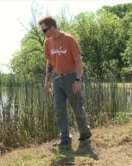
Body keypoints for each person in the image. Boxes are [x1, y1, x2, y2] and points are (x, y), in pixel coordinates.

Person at [38, 16, 92, 146]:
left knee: (77, 107)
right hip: (57, 79)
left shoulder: (69, 39)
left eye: (44, 30)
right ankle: (65, 138)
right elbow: (50, 62)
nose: (43, 34)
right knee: (59, 108)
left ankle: (85, 132)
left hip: (71, 77)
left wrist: (78, 79)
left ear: (52, 27)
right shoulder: (48, 43)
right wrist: (47, 81)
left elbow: (79, 60)